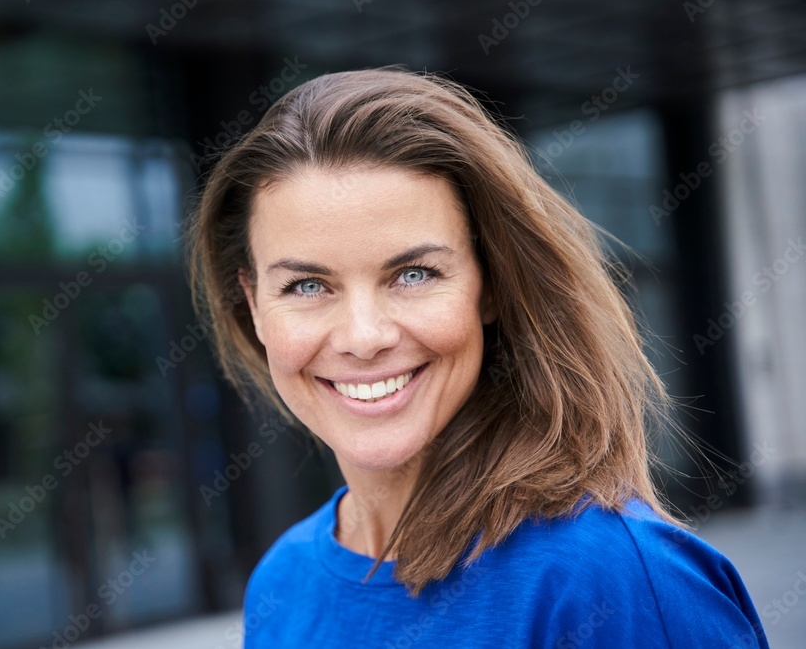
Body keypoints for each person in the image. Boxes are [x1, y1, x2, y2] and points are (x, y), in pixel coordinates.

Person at [185, 68, 769, 648]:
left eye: (413, 274)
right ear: (254, 304)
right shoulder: (282, 583)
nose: (363, 337)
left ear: (489, 287)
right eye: (308, 286)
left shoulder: (612, 579)